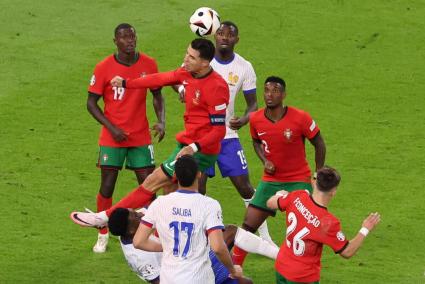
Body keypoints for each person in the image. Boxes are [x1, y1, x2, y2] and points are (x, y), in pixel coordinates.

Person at [70, 38, 229, 229]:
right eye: (186, 53)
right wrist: (127, 83)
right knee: (169, 194)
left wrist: (193, 148)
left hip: (202, 149)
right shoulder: (187, 73)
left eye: (191, 57)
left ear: (205, 63)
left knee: (153, 180)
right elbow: (158, 78)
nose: (185, 59)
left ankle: (104, 217)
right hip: (187, 144)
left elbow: (219, 131)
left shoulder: (217, 87)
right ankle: (164, 240)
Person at [177, 21, 273, 244]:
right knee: (197, 188)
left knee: (244, 186)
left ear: (236, 40)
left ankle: (265, 237)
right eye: (221, 33)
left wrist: (245, 119)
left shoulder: (244, 67)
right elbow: (178, 79)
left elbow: (253, 105)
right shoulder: (201, 61)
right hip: (199, 137)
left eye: (230, 35)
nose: (224, 37)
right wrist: (182, 89)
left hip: (227, 136)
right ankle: (198, 237)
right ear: (214, 35)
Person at [232, 76, 327, 266]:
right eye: (267, 90)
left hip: (299, 180)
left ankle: (305, 266)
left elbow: (319, 143)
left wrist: (318, 174)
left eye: (275, 91)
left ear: (283, 95)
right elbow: (256, 141)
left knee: (307, 226)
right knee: (248, 224)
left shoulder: (300, 117)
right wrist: (265, 160)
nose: (270, 94)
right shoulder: (256, 118)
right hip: (271, 180)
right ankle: (234, 268)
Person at [87, 23, 165, 253]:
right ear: (115, 41)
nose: (129, 40)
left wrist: (161, 120)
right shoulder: (104, 67)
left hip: (140, 136)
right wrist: (111, 128)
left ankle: (157, 232)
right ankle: (103, 232)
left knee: (150, 185)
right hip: (112, 138)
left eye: (132, 36)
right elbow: (91, 103)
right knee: (107, 186)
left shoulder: (149, 64)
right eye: (124, 37)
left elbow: (158, 95)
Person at [132, 155, 242, 283]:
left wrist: (167, 247)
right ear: (199, 174)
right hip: (199, 278)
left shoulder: (159, 203)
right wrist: (233, 270)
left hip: (169, 279)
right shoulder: (209, 205)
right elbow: (217, 247)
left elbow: (138, 241)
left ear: (175, 175)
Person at [267, 167, 381, 283]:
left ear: (314, 182)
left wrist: (280, 195)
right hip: (303, 277)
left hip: (281, 267)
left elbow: (270, 203)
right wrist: (365, 229)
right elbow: (347, 252)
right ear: (333, 192)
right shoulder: (327, 222)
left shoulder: (297, 196)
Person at [108, 207, 277, 283]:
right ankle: (282, 256)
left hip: (192, 258)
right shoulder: (141, 258)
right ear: (130, 232)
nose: (140, 214)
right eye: (136, 217)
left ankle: (280, 256)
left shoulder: (132, 229)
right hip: (190, 275)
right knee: (230, 233)